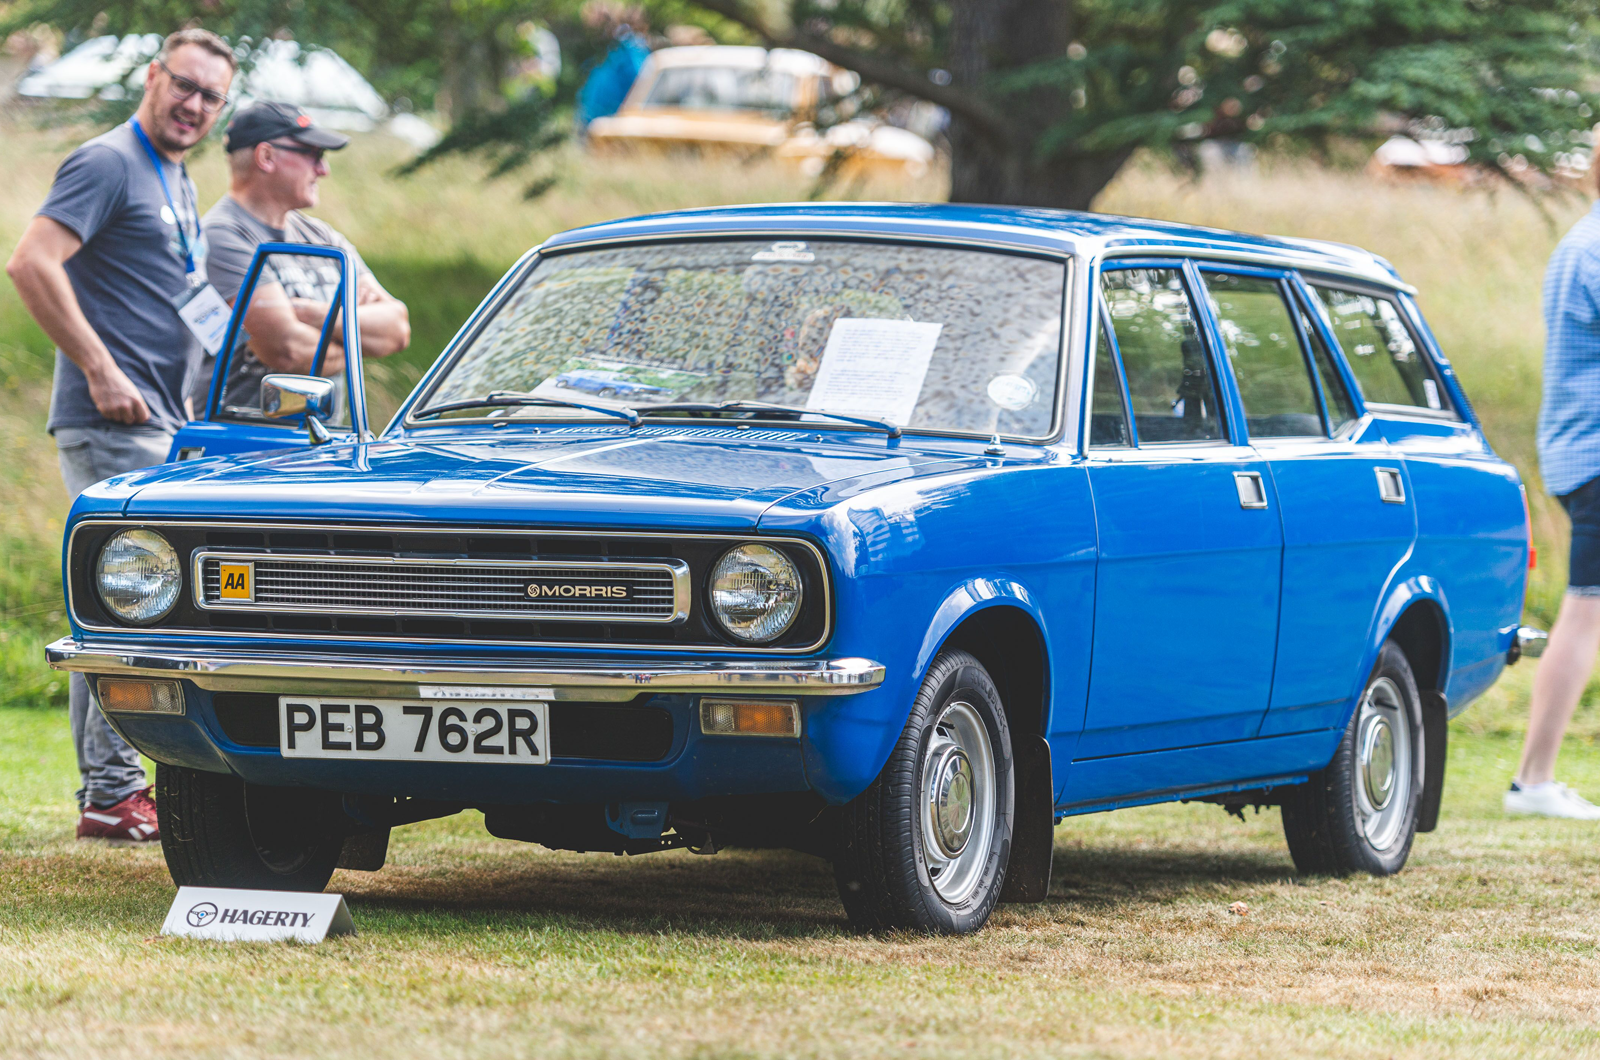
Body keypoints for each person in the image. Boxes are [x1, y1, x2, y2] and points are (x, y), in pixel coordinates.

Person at [5, 28, 238, 843]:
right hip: (111, 423)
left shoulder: (175, 175)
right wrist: (102, 370)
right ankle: (109, 793)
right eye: (185, 86)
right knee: (123, 608)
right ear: (153, 76)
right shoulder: (108, 161)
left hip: (167, 425)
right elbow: (33, 262)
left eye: (212, 97)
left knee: (146, 607)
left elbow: (181, 296)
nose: (195, 106)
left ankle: (121, 784)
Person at [194, 101, 409, 416]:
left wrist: (313, 313)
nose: (324, 170)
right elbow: (289, 352)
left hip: (317, 447)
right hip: (241, 449)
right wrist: (359, 337)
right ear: (266, 157)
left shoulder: (323, 238)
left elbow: (397, 329)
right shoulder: (222, 238)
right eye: (314, 155)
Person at [1511, 142, 1600, 819]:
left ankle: (1535, 780)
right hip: (1596, 458)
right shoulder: (1595, 246)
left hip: (1582, 456)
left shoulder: (1585, 241)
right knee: (1586, 608)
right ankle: (1534, 781)